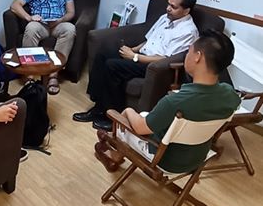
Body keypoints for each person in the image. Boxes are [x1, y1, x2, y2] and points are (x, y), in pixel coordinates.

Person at [94, 30, 240, 173]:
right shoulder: (231, 95)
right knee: (147, 115)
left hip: (166, 160)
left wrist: (128, 111)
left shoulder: (175, 101)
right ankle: (115, 150)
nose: (186, 55)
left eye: (189, 50)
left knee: (123, 119)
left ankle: (114, 154)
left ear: (197, 57)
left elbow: (139, 128)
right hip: (198, 157)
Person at [73, 0, 199, 129]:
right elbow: (148, 40)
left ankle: (112, 117)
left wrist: (134, 57)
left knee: (112, 66)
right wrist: (132, 50)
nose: (168, 8)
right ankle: (98, 106)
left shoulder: (188, 31)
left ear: (186, 11)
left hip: (154, 65)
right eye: (168, 4)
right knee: (103, 54)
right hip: (141, 55)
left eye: (173, 7)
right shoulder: (165, 18)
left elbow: (164, 58)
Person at [10, 0, 76, 95]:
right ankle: (29, 76)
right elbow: (15, 5)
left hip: (59, 23)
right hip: (41, 25)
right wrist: (30, 17)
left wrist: (60, 20)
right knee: (31, 28)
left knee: (70, 29)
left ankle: (53, 75)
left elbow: (71, 12)